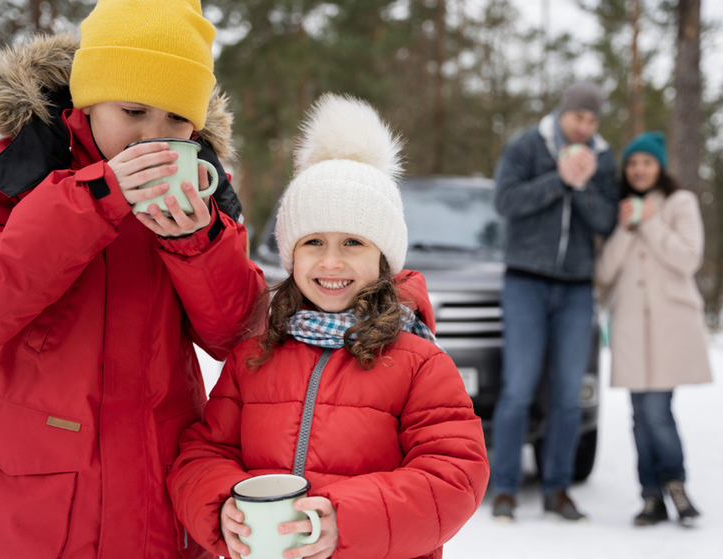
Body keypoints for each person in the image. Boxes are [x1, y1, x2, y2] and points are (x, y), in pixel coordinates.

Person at [0, 1, 265, 558]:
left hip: (156, 483)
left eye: (177, 119)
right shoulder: (11, 169)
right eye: (133, 111)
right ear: (90, 97)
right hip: (32, 495)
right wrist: (96, 200)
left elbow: (237, 336)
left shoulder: (206, 191)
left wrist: (196, 243)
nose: (153, 137)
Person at [167, 93, 490, 559]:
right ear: (290, 254)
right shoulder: (256, 354)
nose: (331, 261)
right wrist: (219, 505)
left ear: (383, 257)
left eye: (353, 242)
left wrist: (346, 521)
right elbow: (203, 453)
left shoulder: (420, 362)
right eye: (313, 241)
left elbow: (454, 476)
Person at [490, 82, 619, 522]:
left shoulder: (603, 157)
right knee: (518, 388)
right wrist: (558, 179)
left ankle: (557, 488)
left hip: (578, 287)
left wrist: (581, 186)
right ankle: (505, 487)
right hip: (525, 282)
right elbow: (505, 201)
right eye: (578, 117)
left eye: (592, 120)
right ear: (563, 114)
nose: (584, 126)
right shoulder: (527, 145)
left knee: (569, 392)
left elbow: (606, 219)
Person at [595, 131, 712, 527]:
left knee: (656, 411)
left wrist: (650, 222)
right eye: (632, 163)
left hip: (670, 325)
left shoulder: (680, 202)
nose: (639, 169)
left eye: (646, 162)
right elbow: (605, 271)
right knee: (638, 416)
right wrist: (628, 228)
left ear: (659, 165)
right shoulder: (621, 209)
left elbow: (688, 258)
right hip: (630, 325)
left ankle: (674, 485)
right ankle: (651, 497)